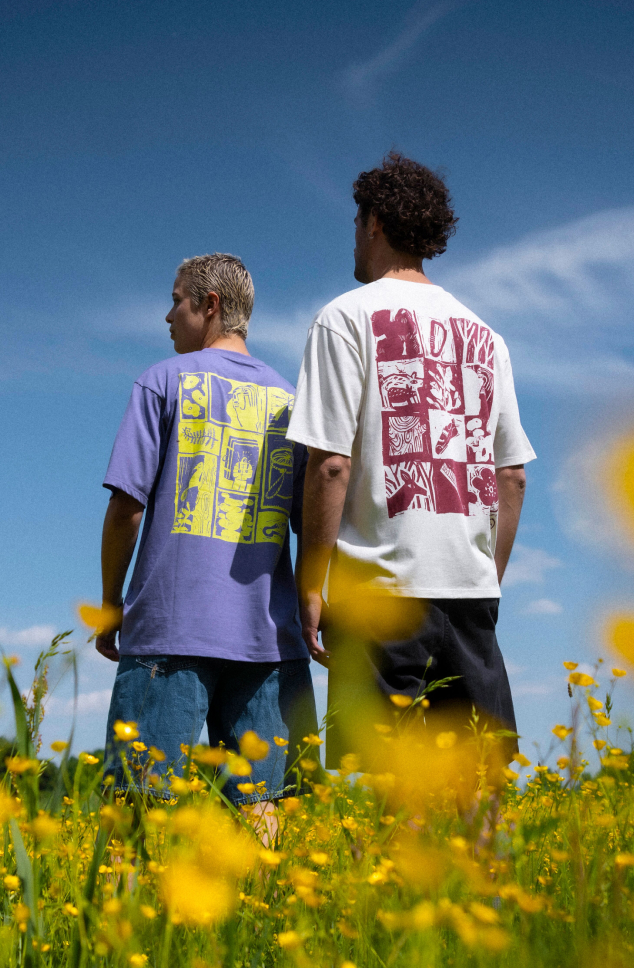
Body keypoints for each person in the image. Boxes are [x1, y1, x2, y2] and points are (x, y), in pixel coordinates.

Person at [287, 153, 535, 773]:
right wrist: (488, 576)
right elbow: (512, 475)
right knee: (477, 786)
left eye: (355, 220)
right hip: (470, 592)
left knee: (386, 789)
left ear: (372, 222)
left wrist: (310, 581)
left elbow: (331, 466)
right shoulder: (486, 334)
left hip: (380, 595)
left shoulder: (345, 318)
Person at [96, 253, 317, 827]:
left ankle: (129, 917)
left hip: (171, 629)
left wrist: (110, 601)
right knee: (261, 810)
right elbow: (310, 523)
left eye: (176, 300)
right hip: (269, 638)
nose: (168, 316)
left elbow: (127, 506)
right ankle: (265, 918)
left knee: (136, 808)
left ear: (209, 305)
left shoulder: (161, 381)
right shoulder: (293, 402)